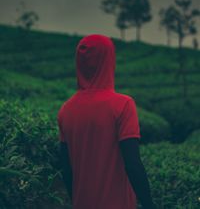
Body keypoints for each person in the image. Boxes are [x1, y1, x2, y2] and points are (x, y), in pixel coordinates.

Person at [57, 34, 156, 209]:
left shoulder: (66, 110)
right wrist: (149, 205)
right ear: (109, 62)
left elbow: (66, 168)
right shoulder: (123, 105)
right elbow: (132, 164)